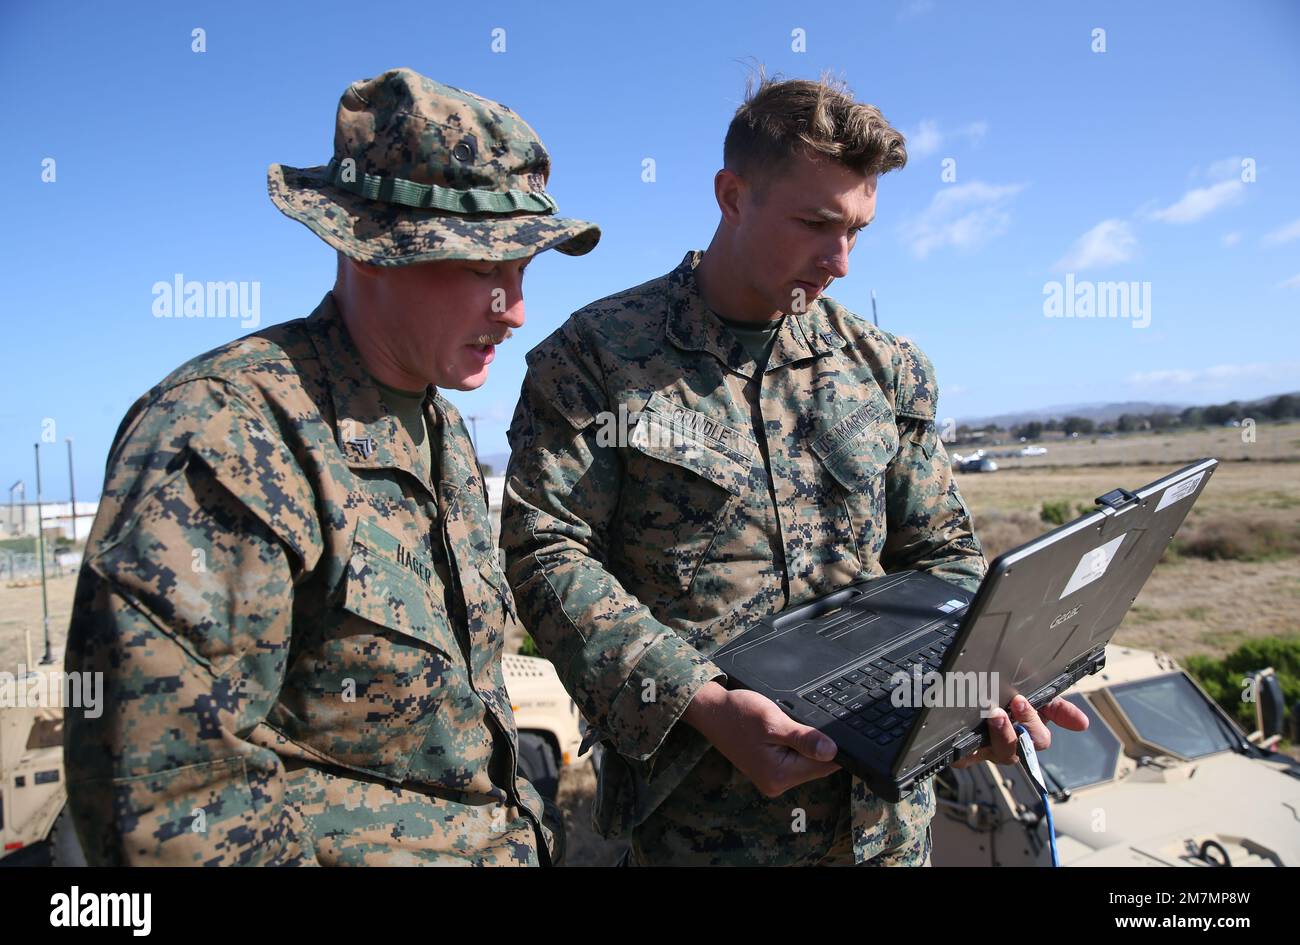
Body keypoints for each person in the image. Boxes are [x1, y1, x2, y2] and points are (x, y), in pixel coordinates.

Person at [500, 74, 1086, 866]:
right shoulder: (596, 358)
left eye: (858, 231)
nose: (840, 260)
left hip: (885, 823)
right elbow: (547, 554)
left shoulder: (888, 369)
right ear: (732, 196)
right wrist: (702, 703)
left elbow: (941, 553)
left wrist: (978, 684)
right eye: (816, 223)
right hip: (700, 825)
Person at [63, 67, 599, 866]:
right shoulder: (228, 434)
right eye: (484, 270)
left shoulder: (439, 426)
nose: (515, 311)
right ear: (375, 252)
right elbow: (169, 808)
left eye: (524, 272)